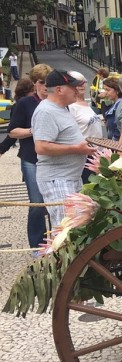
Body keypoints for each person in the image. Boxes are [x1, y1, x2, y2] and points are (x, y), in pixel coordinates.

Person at [32, 69, 97, 228]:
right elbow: (41, 147)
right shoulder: (46, 111)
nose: (77, 90)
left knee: (77, 225)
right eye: (73, 87)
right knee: (67, 227)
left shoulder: (62, 108)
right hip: (58, 179)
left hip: (69, 177)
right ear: (59, 90)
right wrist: (77, 149)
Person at [0, 64, 52, 251]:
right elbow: (12, 131)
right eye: (42, 83)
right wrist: (33, 130)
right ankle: (37, 246)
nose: (46, 86)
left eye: (49, 82)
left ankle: (56, 242)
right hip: (32, 159)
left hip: (54, 158)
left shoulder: (58, 101)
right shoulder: (25, 104)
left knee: (55, 204)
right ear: (34, 84)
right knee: (37, 204)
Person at [67, 71, 104, 183]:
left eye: (83, 82)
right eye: (77, 83)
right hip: (85, 156)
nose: (82, 85)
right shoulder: (71, 107)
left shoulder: (85, 104)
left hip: (97, 153)